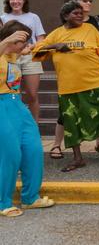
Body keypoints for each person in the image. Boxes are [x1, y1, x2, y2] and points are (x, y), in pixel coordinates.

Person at [33, 1, 99, 172]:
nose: (80, 16)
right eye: (76, 13)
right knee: (71, 123)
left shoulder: (90, 29)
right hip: (69, 87)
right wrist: (55, 46)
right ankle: (78, 158)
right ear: (66, 16)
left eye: (81, 13)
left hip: (97, 82)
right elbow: (37, 51)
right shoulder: (57, 34)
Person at [0, 22, 54, 217]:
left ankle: (30, 197)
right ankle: (2, 202)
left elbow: (26, 50)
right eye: (20, 41)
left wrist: (25, 47)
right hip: (1, 105)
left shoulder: (13, 54)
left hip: (17, 105)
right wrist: (6, 40)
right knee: (10, 155)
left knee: (33, 149)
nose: (23, 45)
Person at [1, 0, 46, 123]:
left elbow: (41, 39)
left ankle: (34, 125)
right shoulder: (2, 18)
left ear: (24, 0)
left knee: (32, 95)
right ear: (8, 1)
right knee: (14, 93)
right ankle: (16, 123)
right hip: (7, 57)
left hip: (29, 55)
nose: (15, 1)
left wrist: (31, 47)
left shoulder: (33, 17)